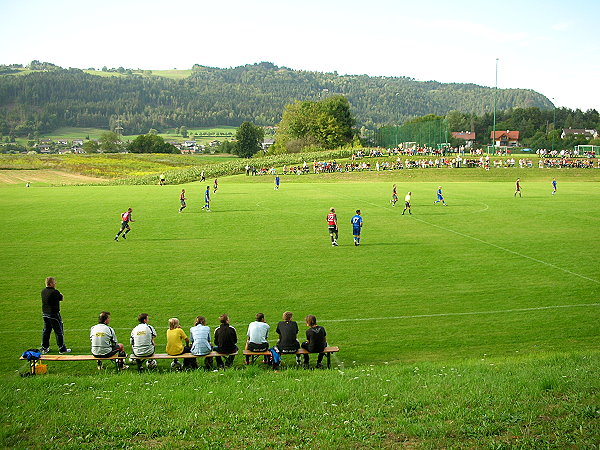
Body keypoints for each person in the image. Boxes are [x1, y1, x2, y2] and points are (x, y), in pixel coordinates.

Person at [40, 277, 71, 354]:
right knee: (59, 331)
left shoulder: (43, 291)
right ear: (50, 284)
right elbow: (61, 298)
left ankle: (45, 347)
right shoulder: (55, 292)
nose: (55, 284)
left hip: (45, 313)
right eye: (54, 282)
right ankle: (62, 349)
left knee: (46, 331)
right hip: (53, 314)